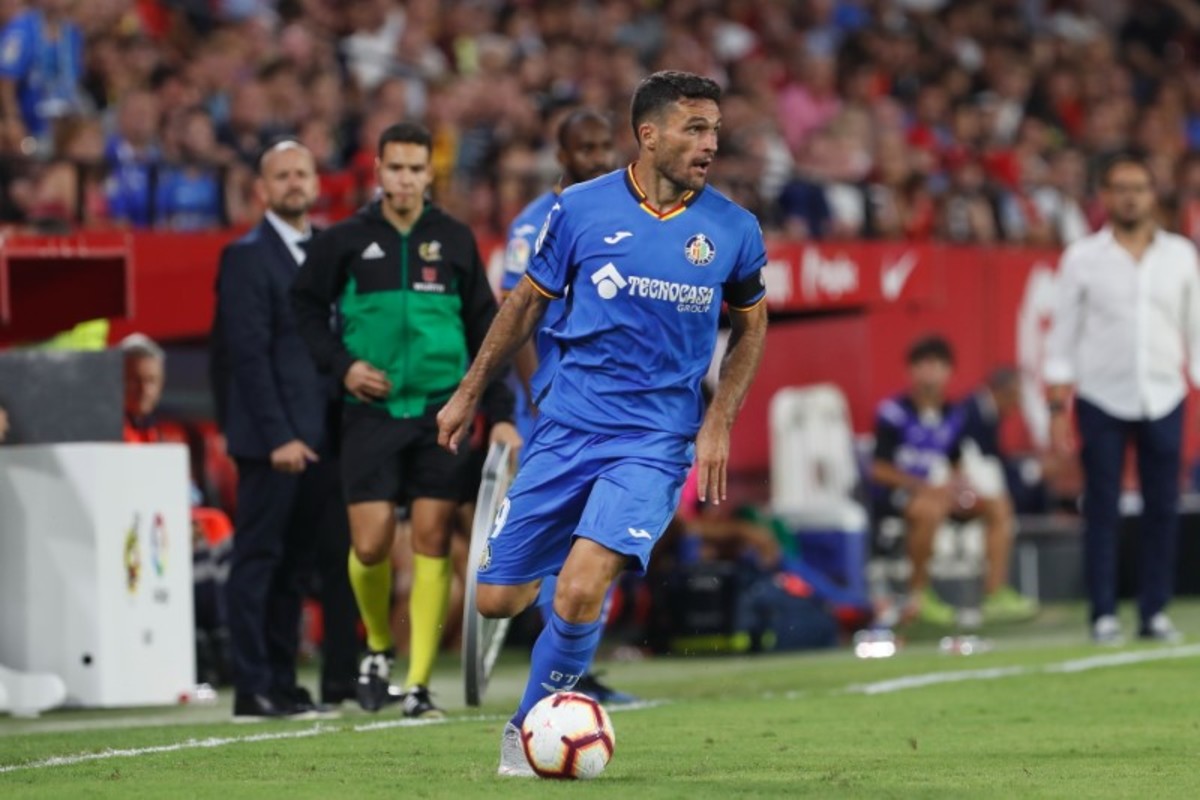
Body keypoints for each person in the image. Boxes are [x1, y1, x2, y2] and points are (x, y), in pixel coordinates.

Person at [435, 70, 769, 776]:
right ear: (649, 134)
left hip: (654, 440)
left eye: (714, 129)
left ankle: (527, 731)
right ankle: (576, 553)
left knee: (582, 587)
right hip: (566, 427)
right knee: (496, 599)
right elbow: (525, 305)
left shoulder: (734, 229)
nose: (710, 143)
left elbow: (751, 326)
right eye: (694, 129)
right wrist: (469, 393)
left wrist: (719, 419)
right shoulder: (580, 209)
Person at [291, 122, 518, 719]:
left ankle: (417, 684)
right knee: (368, 547)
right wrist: (342, 366)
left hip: (442, 415)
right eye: (396, 168)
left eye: (417, 169)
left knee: (432, 541)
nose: (406, 179)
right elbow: (304, 308)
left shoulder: (455, 239)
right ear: (378, 171)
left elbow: (488, 332)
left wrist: (499, 412)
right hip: (370, 414)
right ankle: (377, 646)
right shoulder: (344, 240)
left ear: (429, 174)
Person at [213, 139, 359, 721]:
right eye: (282, 175)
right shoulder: (246, 257)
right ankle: (252, 687)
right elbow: (246, 357)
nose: (295, 182)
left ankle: (282, 681)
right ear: (262, 190)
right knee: (259, 562)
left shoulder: (327, 249)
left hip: (321, 437)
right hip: (274, 441)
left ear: (316, 183)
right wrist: (277, 436)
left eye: (302, 173)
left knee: (296, 567)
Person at [499, 107, 635, 705]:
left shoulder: (620, 216)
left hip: (610, 404)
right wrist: (539, 396)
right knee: (558, 531)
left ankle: (578, 664)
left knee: (601, 529)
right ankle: (561, 669)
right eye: (587, 148)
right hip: (553, 405)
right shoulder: (533, 226)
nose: (599, 158)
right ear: (562, 155)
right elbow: (515, 318)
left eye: (606, 146)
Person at [1045, 152, 1200, 645]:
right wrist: (1057, 405)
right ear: (1105, 196)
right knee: (1102, 508)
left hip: (1164, 392)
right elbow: (1062, 338)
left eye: (1139, 188)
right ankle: (1103, 613)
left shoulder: (1180, 255)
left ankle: (1154, 611)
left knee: (1162, 507)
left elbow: (1195, 328)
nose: (1130, 198)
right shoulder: (1082, 258)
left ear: (1153, 195)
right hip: (1101, 396)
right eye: (1121, 188)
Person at [870, 335, 1036, 626]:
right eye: (923, 365)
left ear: (949, 372)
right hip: (902, 496)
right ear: (910, 371)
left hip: (943, 495)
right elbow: (879, 470)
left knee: (998, 506)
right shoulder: (893, 413)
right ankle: (918, 596)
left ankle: (995, 593)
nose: (930, 373)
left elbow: (956, 461)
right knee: (928, 508)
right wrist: (922, 487)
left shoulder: (955, 415)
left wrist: (961, 486)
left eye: (937, 365)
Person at [0, 0, 85, 154]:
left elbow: (73, 79)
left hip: (65, 123)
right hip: (30, 124)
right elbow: (6, 81)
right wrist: (12, 120)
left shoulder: (73, 33)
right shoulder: (20, 29)